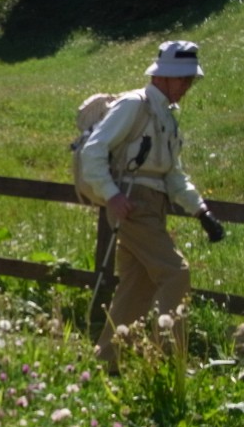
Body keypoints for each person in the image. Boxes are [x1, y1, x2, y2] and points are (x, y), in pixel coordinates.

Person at [79, 40, 225, 371]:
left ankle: (107, 363)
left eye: (190, 80)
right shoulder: (134, 105)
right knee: (176, 274)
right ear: (163, 77)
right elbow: (94, 149)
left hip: (149, 205)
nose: (187, 86)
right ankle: (166, 361)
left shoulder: (167, 116)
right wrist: (111, 194)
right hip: (132, 202)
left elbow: (172, 174)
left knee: (136, 287)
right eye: (182, 78)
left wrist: (200, 211)